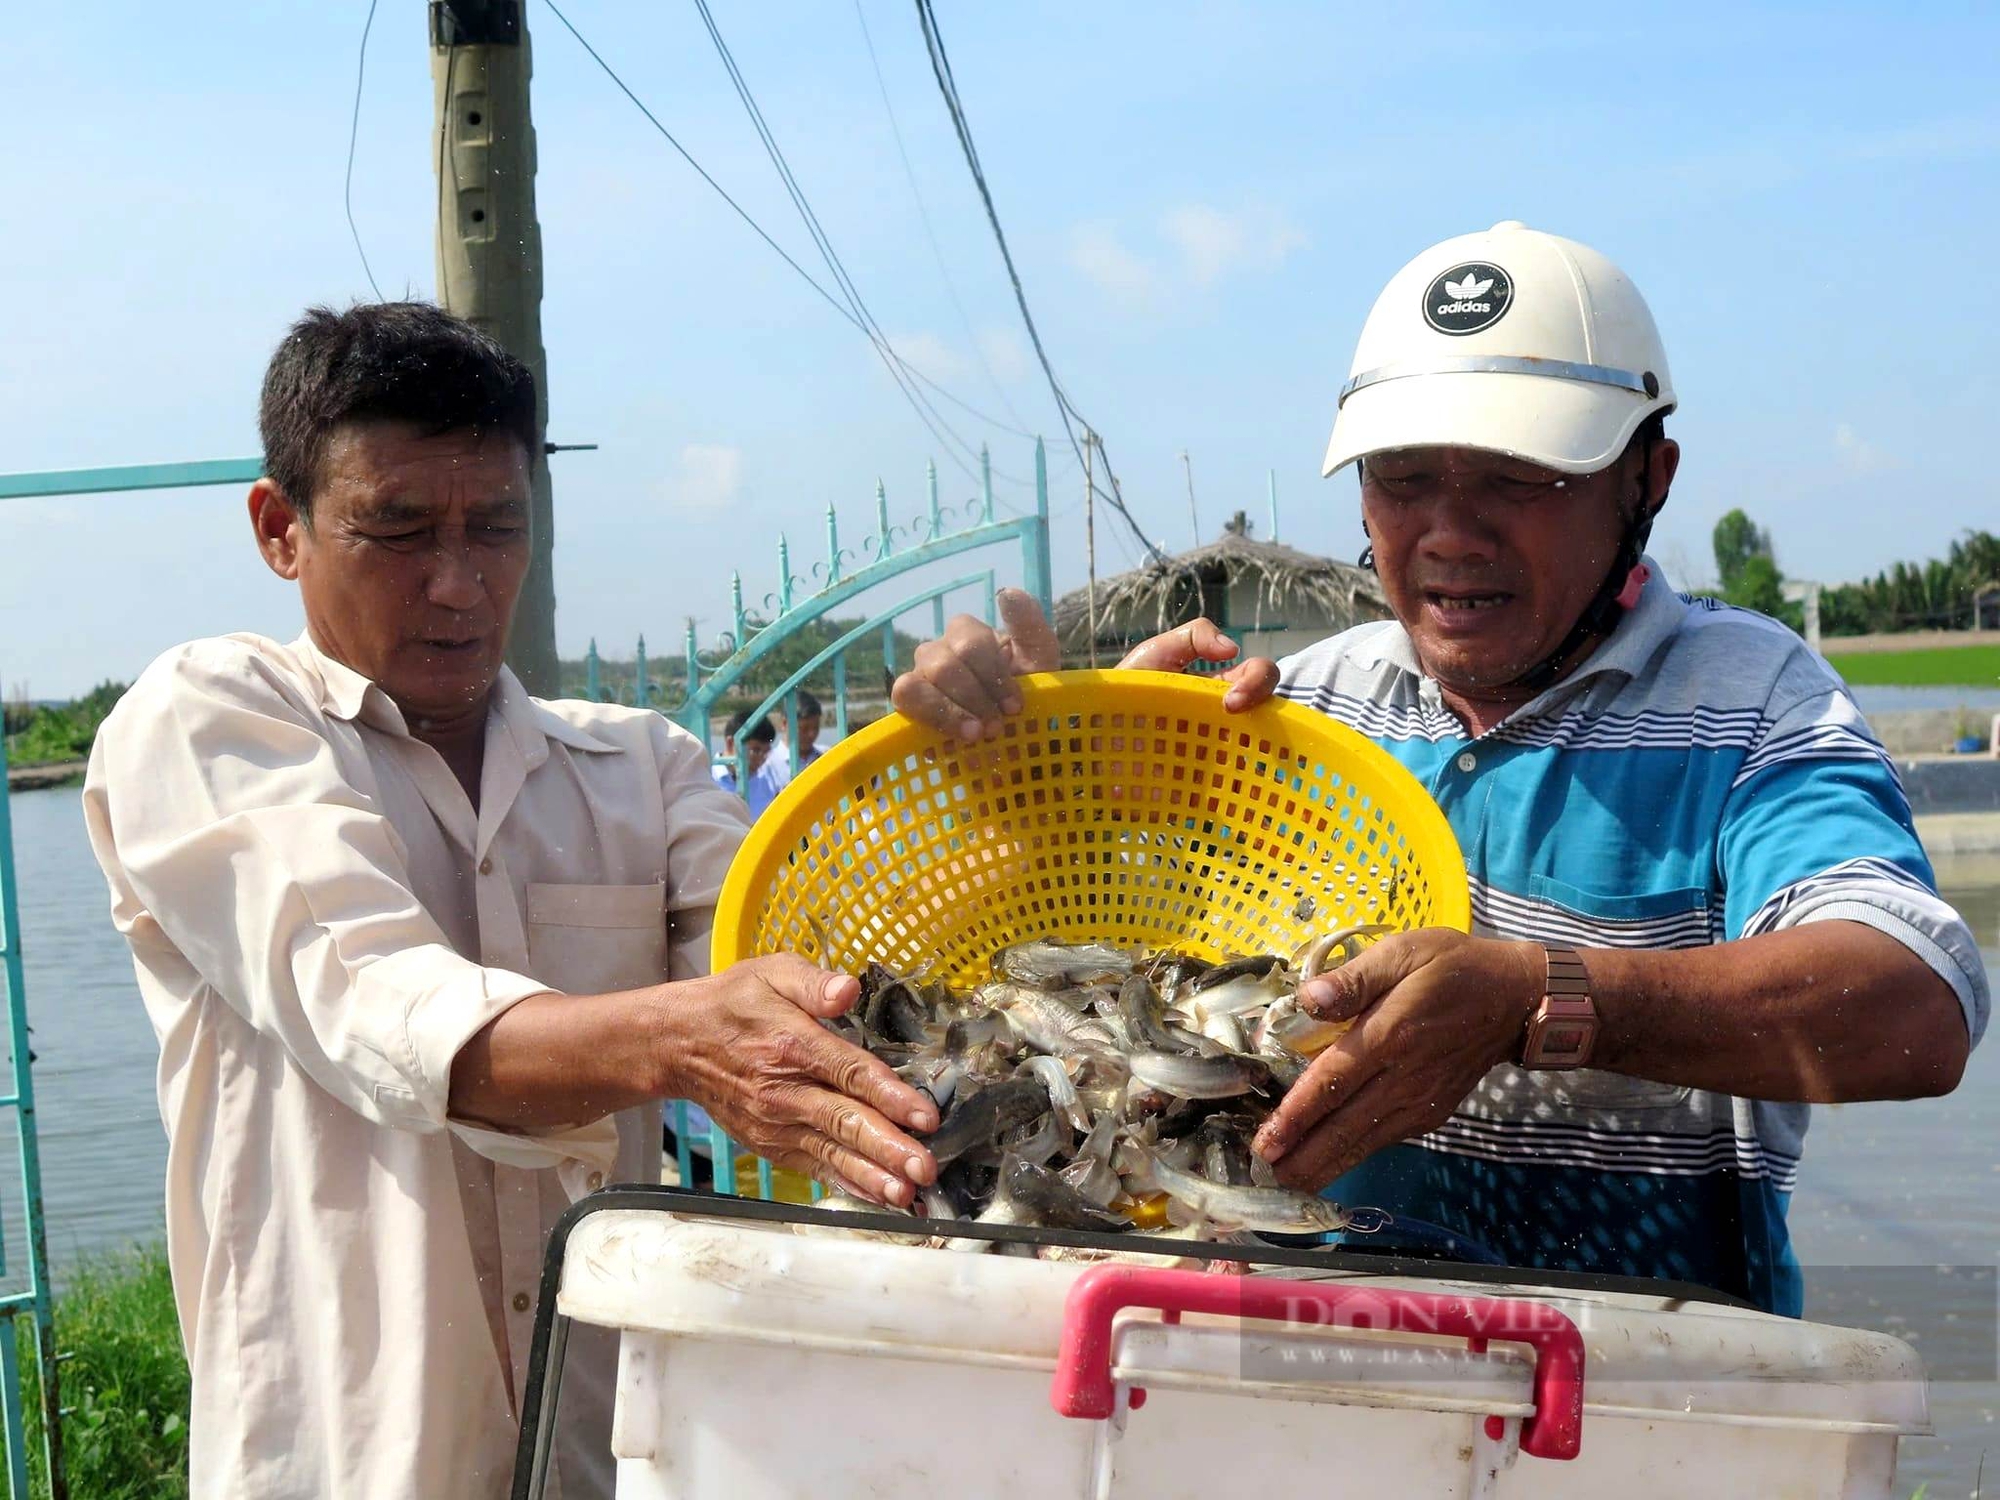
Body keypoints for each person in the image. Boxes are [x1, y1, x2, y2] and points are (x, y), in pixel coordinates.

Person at [893, 221, 1987, 1315]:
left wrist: (1535, 999)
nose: (1448, 532)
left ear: (1644, 480)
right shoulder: (1291, 715)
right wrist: (1037, 785)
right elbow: (1063, 999)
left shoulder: (1751, 702)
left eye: (1518, 478)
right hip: (1298, 1367)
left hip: (1644, 1384)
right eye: (1402, 479)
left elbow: (1911, 1007)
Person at [82, 303, 938, 1500]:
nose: (458, 581)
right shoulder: (209, 719)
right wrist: (681, 1043)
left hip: (611, 1450)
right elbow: (380, 1005)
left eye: (497, 526)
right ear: (281, 530)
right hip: (343, 1459)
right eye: (396, 529)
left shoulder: (639, 765)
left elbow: (834, 977)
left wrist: (985, 777)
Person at [711, 707, 785, 816]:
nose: (761, 759)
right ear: (731, 743)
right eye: (756, 750)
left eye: (765, 752)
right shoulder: (708, 778)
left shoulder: (767, 781)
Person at [765, 688, 825, 783]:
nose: (811, 734)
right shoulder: (768, 765)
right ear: (785, 724)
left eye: (816, 728)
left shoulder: (826, 755)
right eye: (804, 729)